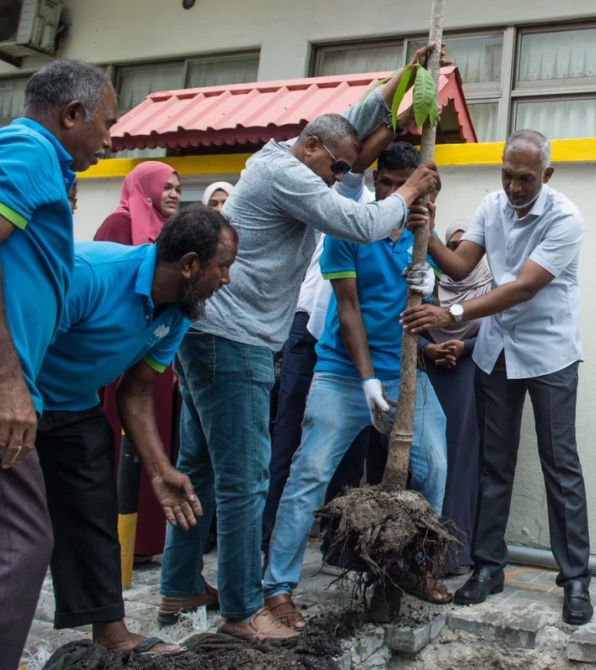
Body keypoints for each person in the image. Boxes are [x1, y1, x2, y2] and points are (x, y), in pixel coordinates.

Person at [157, 44, 443, 642]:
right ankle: (244, 610)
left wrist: (409, 76)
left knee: (200, 469)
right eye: (337, 168)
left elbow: (362, 117)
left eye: (346, 170)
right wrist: (414, 184)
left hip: (214, 333)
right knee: (246, 479)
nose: (343, 178)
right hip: (234, 340)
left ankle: (180, 585)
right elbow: (364, 222)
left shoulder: (294, 156)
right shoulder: (287, 175)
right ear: (311, 146)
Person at [0, 59, 116, 670]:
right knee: (8, 553)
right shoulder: (26, 145)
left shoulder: (30, 158)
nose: (109, 139)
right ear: (72, 114)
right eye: (106, 124)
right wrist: (6, 381)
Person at [401, 129, 592, 626]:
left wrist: (452, 312)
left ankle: (575, 580)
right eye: (507, 175)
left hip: (550, 355)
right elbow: (462, 263)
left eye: (525, 178)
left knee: (560, 467)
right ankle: (488, 568)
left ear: (546, 176)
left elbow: (524, 287)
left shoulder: (565, 218)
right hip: (497, 353)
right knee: (493, 464)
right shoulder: (491, 205)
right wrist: (434, 232)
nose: (514, 186)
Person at [34, 206, 237, 657]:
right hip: (14, 396)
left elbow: (136, 391)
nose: (226, 280)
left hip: (75, 406)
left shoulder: (179, 311)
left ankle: (111, 632)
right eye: (222, 267)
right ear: (189, 265)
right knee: (15, 529)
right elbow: (18, 341)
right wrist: (10, 402)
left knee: (93, 514)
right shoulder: (89, 274)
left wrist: (160, 470)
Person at [263, 141, 449, 630]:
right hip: (343, 373)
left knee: (435, 466)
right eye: (384, 184)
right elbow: (347, 308)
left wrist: (427, 280)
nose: (390, 193)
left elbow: (436, 295)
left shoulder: (420, 235)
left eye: (401, 186)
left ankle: (416, 568)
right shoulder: (348, 227)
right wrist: (367, 380)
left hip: (406, 374)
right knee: (310, 473)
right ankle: (278, 586)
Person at [94, 161, 184, 560]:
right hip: (112, 352)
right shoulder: (118, 223)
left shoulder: (172, 238)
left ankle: (143, 543)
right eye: (166, 186)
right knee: (112, 438)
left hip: (152, 353)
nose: (174, 194)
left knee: (152, 441)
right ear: (144, 187)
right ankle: (107, 535)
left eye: (178, 188)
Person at [418, 222, 492, 576]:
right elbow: (406, 324)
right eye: (451, 247)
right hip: (428, 374)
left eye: (466, 249)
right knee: (428, 462)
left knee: (462, 465)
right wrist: (429, 349)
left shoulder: (490, 286)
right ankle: (421, 555)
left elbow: (500, 332)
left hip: (470, 378)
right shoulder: (428, 282)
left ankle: (454, 555)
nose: (457, 254)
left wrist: (464, 346)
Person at [96, 161, 182, 244]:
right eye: (166, 187)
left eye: (178, 190)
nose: (174, 195)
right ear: (145, 189)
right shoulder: (121, 221)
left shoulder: (173, 228)